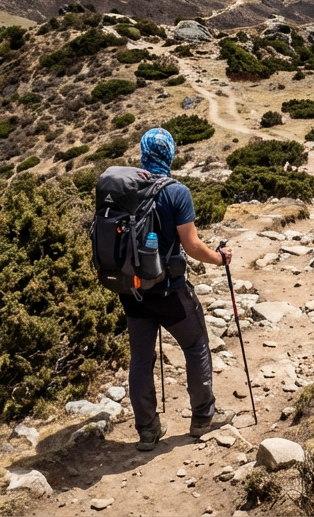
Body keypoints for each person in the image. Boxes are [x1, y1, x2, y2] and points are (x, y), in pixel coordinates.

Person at [123, 127, 234, 451]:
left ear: (143, 153)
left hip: (132, 290)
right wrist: (219, 259)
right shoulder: (176, 192)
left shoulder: (126, 190)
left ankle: (147, 429)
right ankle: (203, 418)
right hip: (169, 290)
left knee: (141, 359)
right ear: (169, 154)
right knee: (196, 344)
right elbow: (192, 245)